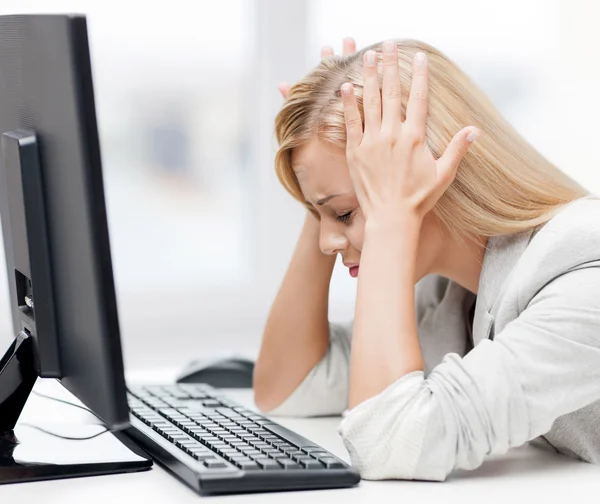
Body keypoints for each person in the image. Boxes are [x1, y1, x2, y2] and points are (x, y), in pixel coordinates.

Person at [253, 37, 600, 481]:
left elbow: (391, 440)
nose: (327, 243)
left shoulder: (581, 267)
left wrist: (389, 215)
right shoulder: (449, 295)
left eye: (343, 213)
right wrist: (323, 190)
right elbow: (288, 386)